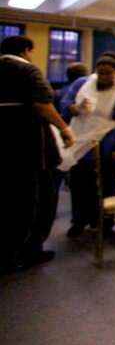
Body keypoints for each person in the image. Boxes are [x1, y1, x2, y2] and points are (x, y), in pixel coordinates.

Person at [0, 36, 75, 272]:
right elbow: (41, 104)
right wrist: (64, 128)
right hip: (29, 149)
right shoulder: (27, 70)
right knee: (35, 200)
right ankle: (27, 251)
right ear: (26, 50)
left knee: (7, 200)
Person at [61, 53, 115, 238]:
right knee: (80, 184)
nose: (104, 78)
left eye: (108, 74)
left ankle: (104, 222)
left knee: (107, 183)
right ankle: (79, 221)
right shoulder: (81, 84)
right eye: (100, 73)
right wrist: (79, 108)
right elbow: (66, 105)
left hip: (111, 143)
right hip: (83, 141)